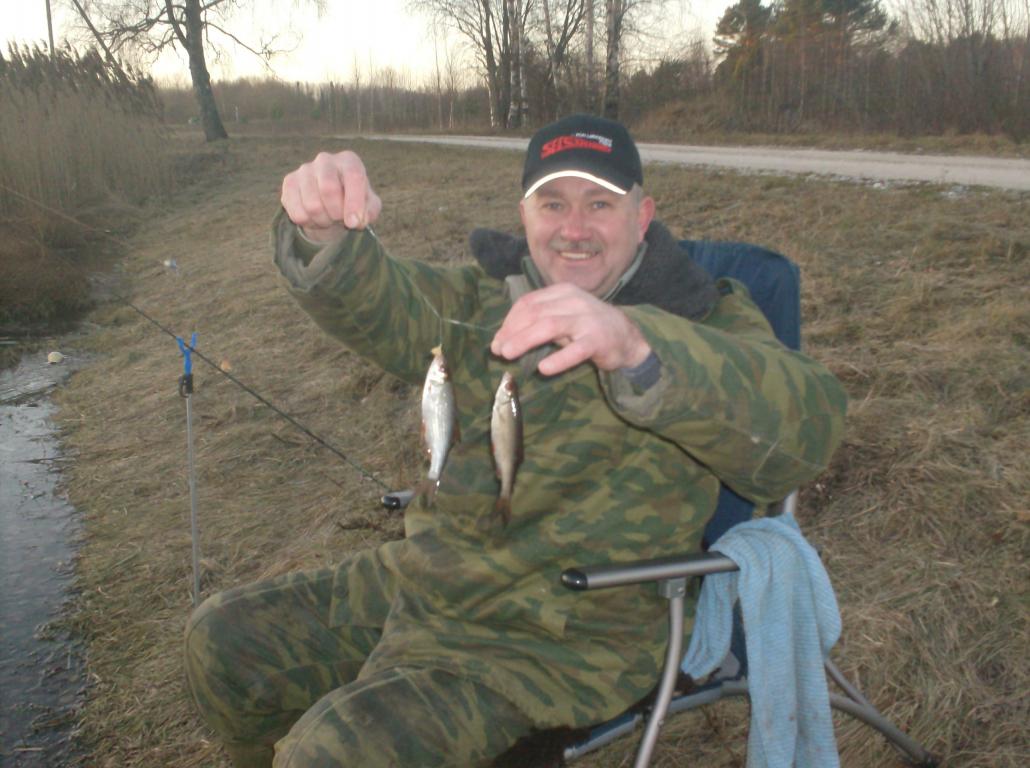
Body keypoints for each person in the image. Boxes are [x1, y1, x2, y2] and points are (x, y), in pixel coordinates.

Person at [184, 114, 847, 767]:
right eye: (552, 203)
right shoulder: (483, 300)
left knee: (327, 753)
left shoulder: (706, 315)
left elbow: (805, 429)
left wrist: (637, 347)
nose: (574, 228)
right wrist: (322, 233)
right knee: (223, 641)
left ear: (642, 216)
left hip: (563, 636)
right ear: (524, 215)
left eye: (600, 203)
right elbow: (384, 301)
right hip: (427, 581)